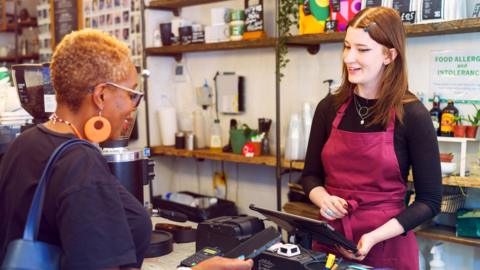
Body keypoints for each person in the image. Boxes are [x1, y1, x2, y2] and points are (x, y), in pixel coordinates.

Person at [0, 29, 252, 270]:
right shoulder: (81, 164)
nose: (133, 107)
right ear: (100, 96)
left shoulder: (24, 144)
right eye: (132, 94)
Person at [301, 7, 442, 270]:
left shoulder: (412, 114)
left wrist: (374, 237)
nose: (349, 58)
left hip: (388, 246)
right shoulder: (329, 107)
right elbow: (310, 176)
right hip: (330, 242)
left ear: (389, 55)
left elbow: (430, 201)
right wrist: (323, 200)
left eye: (362, 50)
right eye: (346, 47)